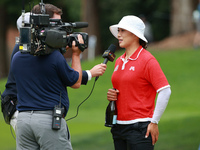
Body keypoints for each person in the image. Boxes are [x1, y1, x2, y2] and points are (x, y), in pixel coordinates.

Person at [1, 3, 106, 150]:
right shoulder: (55, 57)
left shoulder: (17, 56)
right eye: (57, 24)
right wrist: (76, 54)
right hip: (48, 121)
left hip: (24, 121)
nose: (60, 28)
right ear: (44, 23)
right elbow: (75, 81)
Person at [107, 15, 171, 150]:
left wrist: (154, 122)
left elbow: (165, 90)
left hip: (140, 128)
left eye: (122, 31)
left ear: (135, 35)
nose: (118, 35)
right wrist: (112, 95)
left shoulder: (147, 60)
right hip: (118, 127)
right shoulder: (119, 61)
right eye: (118, 31)